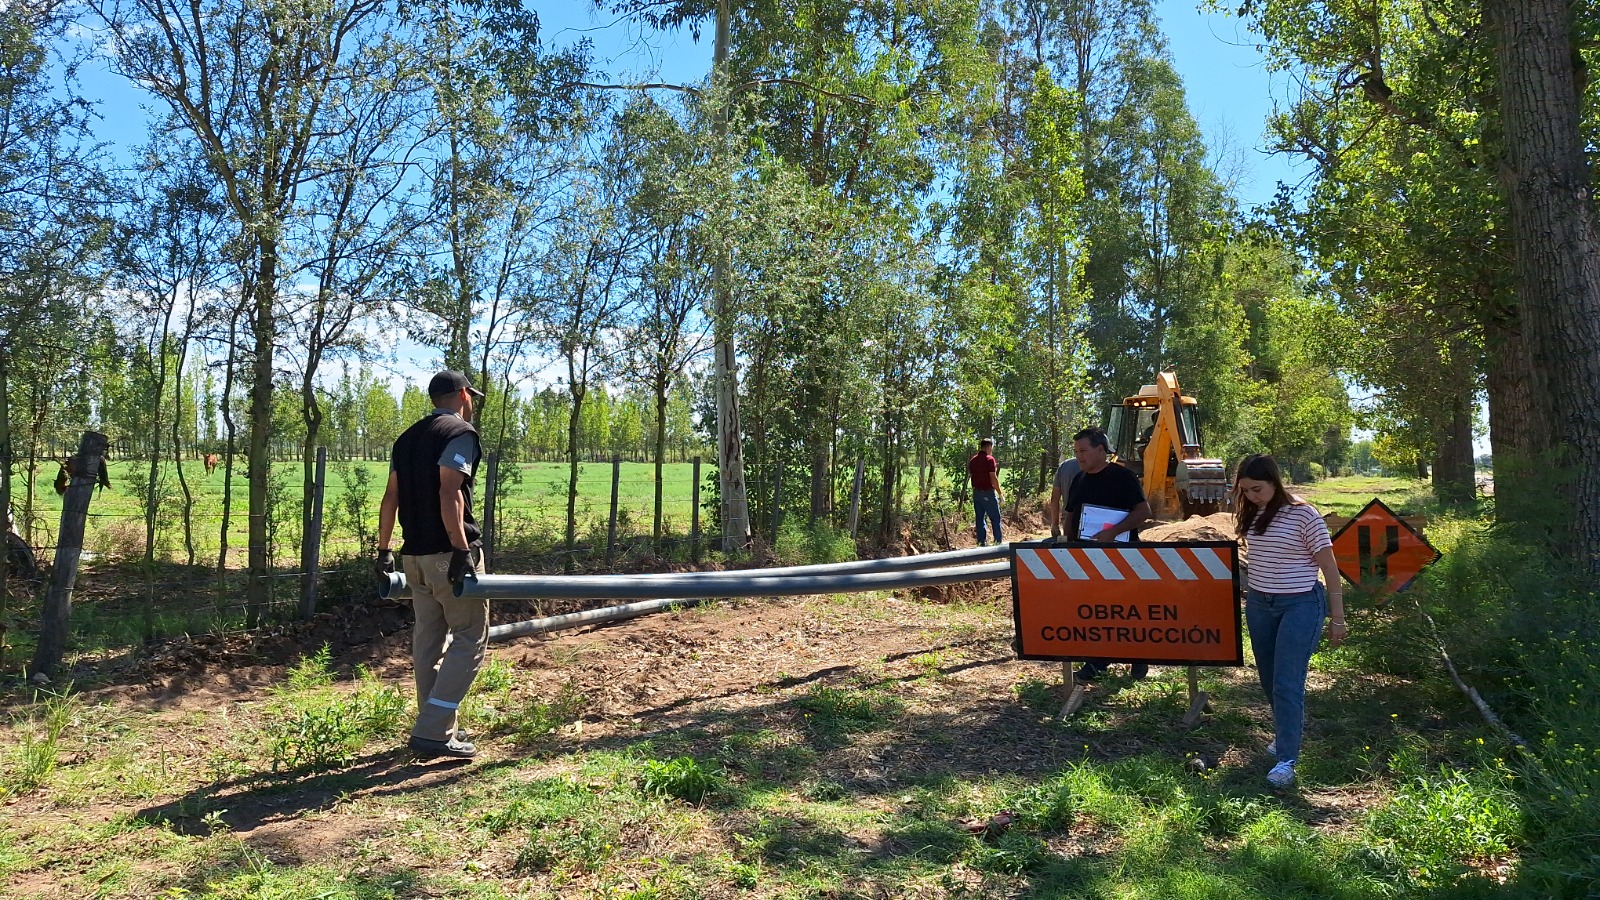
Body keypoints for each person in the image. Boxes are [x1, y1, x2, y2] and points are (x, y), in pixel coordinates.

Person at [375, 370, 488, 760]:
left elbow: (390, 498)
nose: (471, 403)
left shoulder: (406, 438)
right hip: (447, 555)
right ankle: (433, 730)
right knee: (470, 637)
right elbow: (449, 492)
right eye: (471, 397)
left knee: (429, 641)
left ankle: (436, 724)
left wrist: (384, 551)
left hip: (413, 557)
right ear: (463, 395)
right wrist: (461, 550)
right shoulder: (460, 433)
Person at [1232, 453, 1346, 788]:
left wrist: (1337, 617)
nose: (1251, 495)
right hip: (1259, 604)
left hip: (1300, 604)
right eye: (1245, 490)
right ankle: (1285, 733)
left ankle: (1287, 760)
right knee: (1269, 679)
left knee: (1286, 682)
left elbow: (1330, 568)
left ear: (1274, 481)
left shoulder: (1304, 514)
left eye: (1257, 488)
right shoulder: (1252, 512)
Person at [1063, 426, 1152, 681]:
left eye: (1083, 451)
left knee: (1127, 610)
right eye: (1076, 451)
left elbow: (1143, 512)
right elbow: (1071, 514)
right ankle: (1097, 661)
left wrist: (1113, 532)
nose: (1079, 456)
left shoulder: (1123, 477)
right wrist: (1069, 546)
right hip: (1089, 558)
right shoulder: (1079, 480)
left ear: (1100, 450)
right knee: (1094, 610)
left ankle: (1138, 658)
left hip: (1123, 556)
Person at [968, 437, 1004, 545]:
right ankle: (997, 542)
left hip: (976, 492)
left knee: (979, 518)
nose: (991, 450)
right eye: (991, 447)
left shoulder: (973, 460)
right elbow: (993, 478)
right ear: (988, 447)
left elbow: (972, 476)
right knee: (995, 518)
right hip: (987, 492)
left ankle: (981, 542)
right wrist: (1000, 493)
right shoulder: (990, 459)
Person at [1046, 455, 1080, 540]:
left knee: (1069, 547)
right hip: (1092, 522)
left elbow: (1055, 498)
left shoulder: (1064, 466)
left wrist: (1055, 525)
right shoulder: (1097, 466)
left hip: (1068, 522)